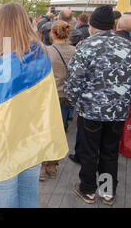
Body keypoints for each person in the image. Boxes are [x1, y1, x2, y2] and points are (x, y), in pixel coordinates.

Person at [0, 3, 68, 208]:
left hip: (6, 146)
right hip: (32, 141)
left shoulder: (3, 64)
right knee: (28, 201)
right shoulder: (41, 55)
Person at [65, 5, 131, 206]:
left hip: (91, 110)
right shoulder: (128, 46)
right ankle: (107, 192)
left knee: (90, 151)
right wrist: (130, 104)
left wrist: (75, 102)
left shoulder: (86, 46)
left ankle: (88, 190)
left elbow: (75, 80)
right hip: (118, 111)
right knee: (110, 151)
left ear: (93, 26)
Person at [40, 21, 76, 182]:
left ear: (52, 34)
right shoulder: (75, 51)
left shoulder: (46, 51)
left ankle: (41, 165)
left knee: (43, 130)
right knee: (58, 130)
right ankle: (52, 165)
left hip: (48, 94)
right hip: (66, 96)